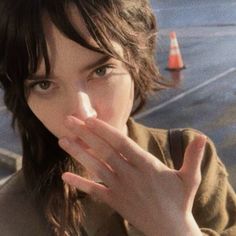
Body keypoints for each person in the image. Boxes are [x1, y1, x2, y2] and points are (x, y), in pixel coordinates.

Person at [0, 0, 235, 235]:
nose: (84, 113)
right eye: (44, 84)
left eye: (100, 71)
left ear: (137, 60)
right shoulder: (11, 216)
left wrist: (177, 228)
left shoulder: (186, 158)